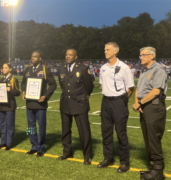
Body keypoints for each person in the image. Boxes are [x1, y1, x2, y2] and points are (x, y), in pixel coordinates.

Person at [97, 42, 135, 173]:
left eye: (107, 50)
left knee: (121, 133)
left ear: (115, 51)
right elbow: (102, 84)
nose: (105, 51)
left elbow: (131, 88)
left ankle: (125, 162)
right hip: (105, 102)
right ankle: (108, 158)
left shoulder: (124, 67)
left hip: (119, 103)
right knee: (106, 132)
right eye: (104, 49)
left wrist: (123, 100)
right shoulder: (103, 67)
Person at [132, 47, 167, 180]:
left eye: (143, 55)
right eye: (140, 55)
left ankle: (158, 173)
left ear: (152, 56)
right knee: (147, 139)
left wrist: (140, 103)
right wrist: (137, 101)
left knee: (153, 139)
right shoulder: (145, 71)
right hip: (145, 106)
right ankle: (153, 169)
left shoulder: (159, 69)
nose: (140, 57)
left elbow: (156, 91)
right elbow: (138, 89)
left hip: (154, 106)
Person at [57, 49, 93, 164]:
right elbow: (62, 85)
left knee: (84, 131)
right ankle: (67, 152)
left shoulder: (82, 68)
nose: (68, 56)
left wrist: (85, 96)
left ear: (76, 57)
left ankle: (87, 155)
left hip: (79, 104)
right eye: (67, 54)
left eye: (71, 55)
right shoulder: (61, 69)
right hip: (65, 104)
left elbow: (89, 86)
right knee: (65, 130)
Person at [21, 50, 57, 157]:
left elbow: (53, 85)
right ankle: (33, 146)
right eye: (32, 56)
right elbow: (23, 83)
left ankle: (41, 147)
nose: (33, 58)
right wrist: (23, 91)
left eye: (35, 57)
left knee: (41, 126)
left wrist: (45, 96)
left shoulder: (45, 70)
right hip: (29, 103)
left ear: (40, 58)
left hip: (40, 104)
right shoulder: (27, 69)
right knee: (30, 126)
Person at [0, 63, 20, 150]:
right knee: (2, 125)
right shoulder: (0, 79)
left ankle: (9, 143)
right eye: (2, 68)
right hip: (1, 105)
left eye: (5, 68)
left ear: (10, 69)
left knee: (10, 125)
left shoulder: (13, 79)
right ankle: (3, 142)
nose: (3, 69)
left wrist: (10, 90)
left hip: (10, 105)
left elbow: (17, 92)